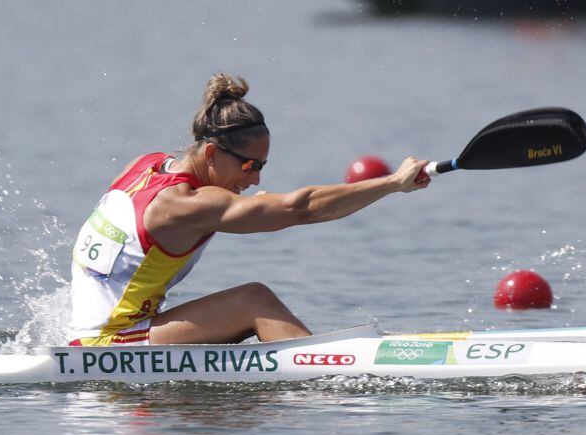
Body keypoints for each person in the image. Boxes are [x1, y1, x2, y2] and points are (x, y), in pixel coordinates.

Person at [67, 72, 430, 347]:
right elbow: (301, 209)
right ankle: (329, 375)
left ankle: (301, 355)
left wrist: (244, 201)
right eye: (249, 166)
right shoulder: (185, 206)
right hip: (106, 347)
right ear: (211, 154)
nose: (255, 179)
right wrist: (393, 183)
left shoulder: (146, 165)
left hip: (89, 334)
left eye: (261, 167)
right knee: (254, 301)